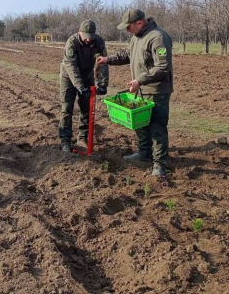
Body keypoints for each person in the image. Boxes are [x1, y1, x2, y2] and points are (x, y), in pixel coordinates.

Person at [98, 9, 173, 177]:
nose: (127, 31)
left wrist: (140, 80)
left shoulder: (158, 38)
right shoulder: (136, 37)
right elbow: (128, 55)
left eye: (128, 27)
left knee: (157, 127)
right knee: (141, 123)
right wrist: (107, 60)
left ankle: (159, 164)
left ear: (139, 23)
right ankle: (144, 153)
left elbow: (162, 68)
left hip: (157, 91)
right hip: (141, 89)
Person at [59, 20, 109, 152]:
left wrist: (103, 84)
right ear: (79, 32)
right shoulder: (72, 42)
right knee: (67, 108)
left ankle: (83, 138)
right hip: (69, 77)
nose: (88, 39)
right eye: (85, 36)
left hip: (87, 76)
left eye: (90, 36)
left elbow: (103, 63)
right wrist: (80, 86)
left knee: (86, 108)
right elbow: (71, 66)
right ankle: (65, 141)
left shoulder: (98, 41)